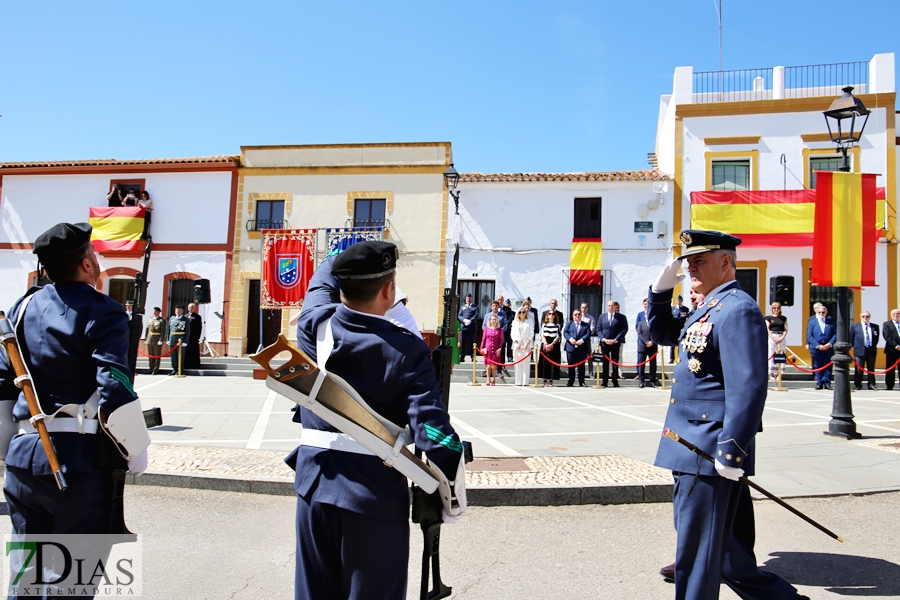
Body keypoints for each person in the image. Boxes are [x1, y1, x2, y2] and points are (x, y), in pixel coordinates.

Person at [290, 241, 464, 600]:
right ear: (389, 290)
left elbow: (319, 284)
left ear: (341, 288)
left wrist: (345, 253)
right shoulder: (405, 350)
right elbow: (434, 434)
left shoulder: (314, 326)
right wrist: (453, 496)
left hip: (313, 488)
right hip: (373, 497)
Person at [647, 229, 807, 600]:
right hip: (691, 446)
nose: (690, 269)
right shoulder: (709, 306)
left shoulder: (737, 308)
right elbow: (663, 333)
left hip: (710, 449)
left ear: (725, 262)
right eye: (688, 263)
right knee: (727, 556)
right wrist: (658, 294)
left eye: (699, 261)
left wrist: (731, 449)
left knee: (698, 554)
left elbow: (748, 385)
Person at [0, 223, 150, 558]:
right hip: (76, 461)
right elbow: (114, 382)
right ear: (86, 264)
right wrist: (136, 447)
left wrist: (7, 446)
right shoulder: (103, 309)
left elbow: (2, 383)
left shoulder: (20, 309)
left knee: (25, 577)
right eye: (93, 255)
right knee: (70, 581)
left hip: (23, 455)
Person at [597, 300, 627, 388]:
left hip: (615, 343)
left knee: (615, 362)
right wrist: (603, 339)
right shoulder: (602, 317)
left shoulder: (621, 317)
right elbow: (599, 329)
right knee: (605, 363)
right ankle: (604, 381)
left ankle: (615, 381)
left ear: (615, 307)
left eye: (612, 306)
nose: (610, 307)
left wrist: (616, 339)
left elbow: (624, 329)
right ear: (607, 307)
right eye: (609, 306)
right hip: (605, 343)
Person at [806, 304, 836, 390]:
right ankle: (819, 382)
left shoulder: (831, 322)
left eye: (823, 312)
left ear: (826, 313)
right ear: (817, 312)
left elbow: (835, 334)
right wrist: (817, 345)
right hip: (816, 348)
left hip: (828, 348)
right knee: (817, 365)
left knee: (828, 366)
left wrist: (829, 344)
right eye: (820, 312)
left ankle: (827, 383)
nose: (821, 313)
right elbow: (810, 335)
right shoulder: (812, 323)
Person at [850, 311, 879, 390]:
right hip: (859, 350)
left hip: (871, 349)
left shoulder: (875, 327)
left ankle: (871, 384)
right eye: (863, 316)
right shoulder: (855, 326)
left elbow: (876, 338)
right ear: (860, 317)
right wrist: (856, 347)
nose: (865, 318)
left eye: (867, 316)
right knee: (859, 368)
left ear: (869, 317)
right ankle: (858, 384)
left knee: (871, 368)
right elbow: (851, 338)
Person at [564, 309, 591, 387]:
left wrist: (582, 340)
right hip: (571, 348)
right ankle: (570, 381)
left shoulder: (586, 325)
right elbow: (565, 332)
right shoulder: (569, 324)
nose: (577, 316)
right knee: (571, 365)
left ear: (581, 315)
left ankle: (581, 381)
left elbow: (588, 333)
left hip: (581, 348)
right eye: (575, 314)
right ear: (573, 316)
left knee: (581, 366)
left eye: (579, 314)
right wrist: (570, 339)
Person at [636, 298, 658, 388]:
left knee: (653, 364)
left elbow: (657, 331)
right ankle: (641, 381)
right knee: (641, 364)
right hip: (643, 345)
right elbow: (639, 332)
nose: (646, 305)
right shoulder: (640, 320)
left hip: (652, 345)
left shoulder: (655, 318)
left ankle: (652, 381)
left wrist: (652, 342)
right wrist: (646, 342)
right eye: (645, 304)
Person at [510, 306, 534, 386]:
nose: (522, 314)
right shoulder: (515, 322)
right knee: (517, 363)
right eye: (520, 312)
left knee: (526, 364)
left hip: (526, 345)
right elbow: (512, 333)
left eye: (523, 312)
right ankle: (518, 381)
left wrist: (527, 342)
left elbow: (531, 332)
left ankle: (525, 381)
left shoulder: (530, 321)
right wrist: (516, 342)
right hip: (518, 345)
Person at [765, 302, 788, 381]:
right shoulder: (768, 318)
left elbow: (786, 329)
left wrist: (782, 337)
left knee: (781, 354)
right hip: (772, 336)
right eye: (775, 308)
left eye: (778, 308)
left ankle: (779, 373)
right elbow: (767, 328)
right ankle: (771, 373)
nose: (776, 310)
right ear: (772, 309)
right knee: (771, 354)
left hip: (781, 336)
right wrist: (773, 337)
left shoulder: (783, 318)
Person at [538, 311, 561, 387]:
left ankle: (551, 379)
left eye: (553, 314)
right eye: (549, 314)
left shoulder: (557, 325)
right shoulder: (544, 325)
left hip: (554, 344)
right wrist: (545, 344)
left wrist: (551, 344)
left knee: (552, 363)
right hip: (545, 343)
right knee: (545, 363)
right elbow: (542, 335)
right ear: (547, 316)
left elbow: (558, 336)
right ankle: (545, 379)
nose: (551, 315)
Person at [481, 314, 504, 386]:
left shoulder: (499, 330)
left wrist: (499, 348)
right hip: (488, 349)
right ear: (490, 320)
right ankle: (488, 379)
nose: (494, 321)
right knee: (488, 366)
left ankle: (493, 379)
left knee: (494, 366)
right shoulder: (486, 329)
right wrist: (482, 348)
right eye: (492, 319)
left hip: (495, 349)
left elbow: (501, 340)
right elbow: (483, 339)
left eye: (495, 319)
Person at [167, 305, 190, 375]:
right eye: (177, 309)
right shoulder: (172, 318)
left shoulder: (185, 320)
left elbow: (188, 331)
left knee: (180, 355)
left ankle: (180, 370)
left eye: (179, 309)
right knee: (173, 356)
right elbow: (168, 329)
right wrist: (168, 339)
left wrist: (185, 341)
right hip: (172, 338)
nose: (178, 311)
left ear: (182, 311)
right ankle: (174, 369)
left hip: (181, 339)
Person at [457, 293, 479, 362]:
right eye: (467, 298)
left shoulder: (475, 306)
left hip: (472, 327)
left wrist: (470, 320)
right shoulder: (462, 307)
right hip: (464, 327)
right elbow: (459, 315)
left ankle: (473, 357)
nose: (468, 300)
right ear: (465, 299)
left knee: (473, 342)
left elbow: (476, 315)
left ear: (472, 299)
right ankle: (462, 356)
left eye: (469, 298)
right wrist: (464, 320)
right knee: (463, 342)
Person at [144, 306, 166, 375]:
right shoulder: (150, 319)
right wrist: (146, 338)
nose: (154, 312)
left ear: (159, 312)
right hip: (150, 338)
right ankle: (151, 368)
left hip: (157, 339)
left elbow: (163, 331)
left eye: (156, 311)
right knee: (151, 355)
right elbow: (147, 329)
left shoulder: (161, 320)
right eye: (153, 311)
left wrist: (161, 340)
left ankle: (155, 369)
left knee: (156, 355)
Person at [883, 309, 900, 391]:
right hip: (891, 350)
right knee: (890, 368)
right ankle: (889, 385)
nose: (896, 315)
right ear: (891, 315)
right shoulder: (887, 324)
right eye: (894, 313)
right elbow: (887, 336)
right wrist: (896, 345)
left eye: (897, 313)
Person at [579, 302, 596, 377]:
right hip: (578, 340)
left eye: (585, 307)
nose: (584, 309)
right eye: (582, 307)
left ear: (587, 308)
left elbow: (591, 330)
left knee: (589, 356)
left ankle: (591, 372)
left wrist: (584, 335)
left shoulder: (591, 318)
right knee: (578, 356)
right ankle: (578, 372)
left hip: (586, 340)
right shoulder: (578, 316)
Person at [186, 302, 203, 369]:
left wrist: (197, 336)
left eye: (192, 307)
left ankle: (194, 364)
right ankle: (186, 364)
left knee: (193, 351)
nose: (191, 309)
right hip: (186, 337)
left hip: (193, 337)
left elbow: (199, 327)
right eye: (190, 307)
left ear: (194, 308)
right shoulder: (185, 316)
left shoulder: (197, 317)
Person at [500, 298, 515, 371]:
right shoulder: (502, 311)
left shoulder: (512, 312)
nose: (507, 304)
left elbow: (511, 320)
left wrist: (508, 325)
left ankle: (509, 357)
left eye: (508, 303)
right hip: (503, 331)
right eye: (506, 303)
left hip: (509, 330)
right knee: (502, 345)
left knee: (509, 345)